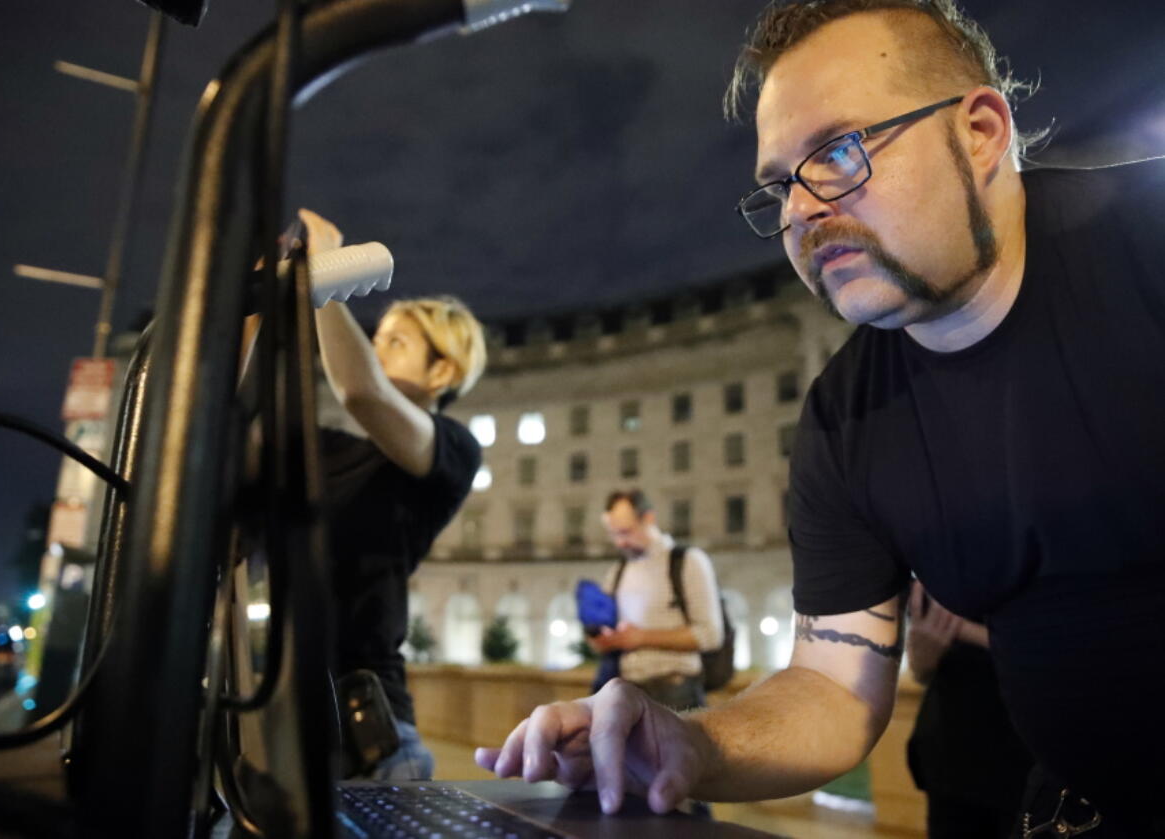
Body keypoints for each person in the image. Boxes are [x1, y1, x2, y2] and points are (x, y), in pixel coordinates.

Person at [474, 2, 1165, 834]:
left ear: (981, 133)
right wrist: (691, 741)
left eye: (838, 153)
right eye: (779, 184)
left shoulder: (1144, 243)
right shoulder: (844, 417)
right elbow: (836, 684)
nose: (800, 212)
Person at [299, 208, 487, 780]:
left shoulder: (454, 451)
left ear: (441, 372)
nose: (375, 351)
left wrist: (323, 274)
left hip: (373, 743)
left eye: (395, 342)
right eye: (374, 340)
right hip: (285, 729)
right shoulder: (328, 452)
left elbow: (362, 390)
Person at [905, 580, 1032, 838]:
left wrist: (962, 629)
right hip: (953, 754)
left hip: (1034, 758)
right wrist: (922, 656)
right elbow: (923, 671)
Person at [588, 490, 724, 711]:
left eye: (626, 532)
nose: (620, 542)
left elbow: (710, 634)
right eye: (613, 534)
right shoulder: (618, 571)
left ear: (648, 518)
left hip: (675, 690)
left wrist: (640, 638)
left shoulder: (688, 562)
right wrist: (603, 639)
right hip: (627, 691)